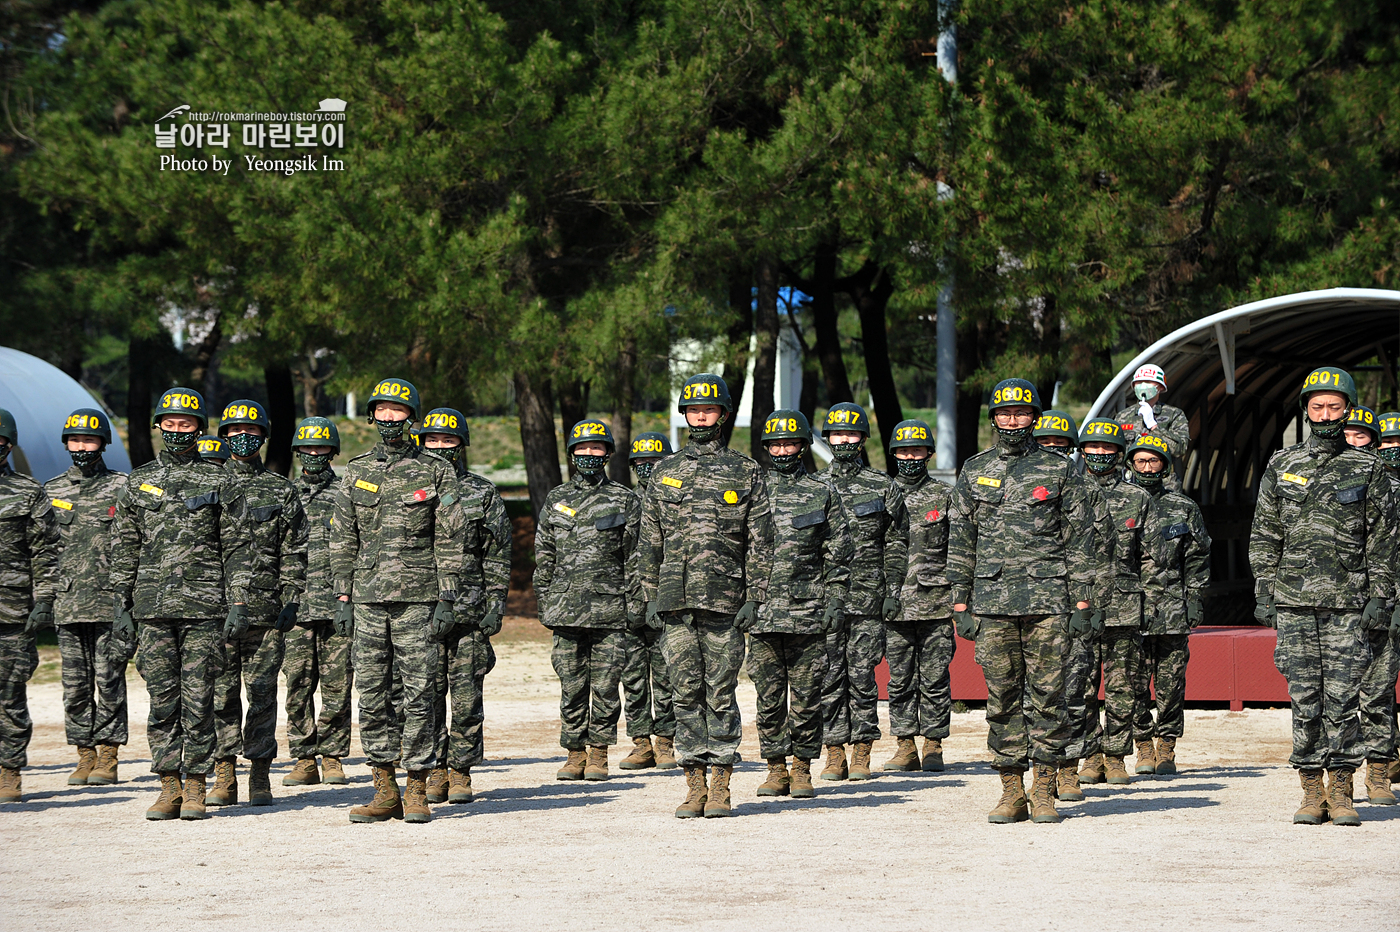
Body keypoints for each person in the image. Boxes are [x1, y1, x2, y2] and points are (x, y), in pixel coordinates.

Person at [946, 379, 1098, 824]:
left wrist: (1083, 601)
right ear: (993, 417)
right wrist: (960, 602)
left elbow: (1081, 537)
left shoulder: (1059, 469)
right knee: (1002, 697)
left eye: (1022, 413)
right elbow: (961, 538)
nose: (1013, 421)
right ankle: (1011, 791)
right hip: (991, 603)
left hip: (1049, 600)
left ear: (1035, 416)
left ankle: (1045, 790)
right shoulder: (974, 470)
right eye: (1004, 413)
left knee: (1050, 695)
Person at [1249, 367, 1395, 826]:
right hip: (1293, 603)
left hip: (1349, 603)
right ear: (1306, 411)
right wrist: (1264, 588)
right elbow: (1265, 532)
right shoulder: (1282, 464)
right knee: (1304, 697)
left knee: (1344, 697)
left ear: (1347, 410)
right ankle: (1311, 791)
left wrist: (1381, 597)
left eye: (1334, 407)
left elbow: (1384, 540)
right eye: (1318, 407)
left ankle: (1343, 791)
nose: (1326, 414)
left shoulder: (1369, 468)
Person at [110, 387, 253, 820]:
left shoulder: (221, 480)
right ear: (158, 426)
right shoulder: (137, 481)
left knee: (199, 698)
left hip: (204, 609)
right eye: (169, 424)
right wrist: (121, 604)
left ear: (199, 429)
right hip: (151, 608)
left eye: (185, 424)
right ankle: (167, 785)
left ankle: (195, 785)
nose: (176, 431)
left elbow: (238, 546)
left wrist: (238, 602)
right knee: (161, 698)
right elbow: (124, 545)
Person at [638, 373, 773, 818]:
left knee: (720, 691)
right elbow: (650, 539)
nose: (701, 415)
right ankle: (692, 783)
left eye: (709, 409)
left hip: (725, 601)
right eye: (694, 409)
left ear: (723, 415)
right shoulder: (665, 471)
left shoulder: (746, 471)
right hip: (675, 602)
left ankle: (721, 785)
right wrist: (649, 596)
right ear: (684, 415)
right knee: (683, 691)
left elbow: (761, 541)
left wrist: (755, 596)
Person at [331, 378, 464, 824]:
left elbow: (450, 537)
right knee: (370, 694)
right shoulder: (356, 470)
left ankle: (418, 790)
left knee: (420, 692)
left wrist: (448, 597)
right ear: (372, 416)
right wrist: (342, 594)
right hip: (367, 600)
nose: (390, 418)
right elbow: (342, 536)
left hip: (419, 599)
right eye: (383, 411)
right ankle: (383, 788)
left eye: (399, 411)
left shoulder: (436, 471)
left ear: (413, 417)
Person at [207, 399, 308, 807]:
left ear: (264, 437)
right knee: (219, 695)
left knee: (263, 694)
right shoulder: (207, 485)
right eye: (234, 431)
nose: (242, 438)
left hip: (267, 612)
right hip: (215, 611)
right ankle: (224, 774)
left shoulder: (281, 489)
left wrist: (293, 597)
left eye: (251, 432)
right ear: (223, 436)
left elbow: (295, 549)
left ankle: (260, 774)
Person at [749, 410, 851, 798]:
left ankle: (802, 767)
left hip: (808, 610)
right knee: (768, 696)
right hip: (760, 613)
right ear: (766, 448)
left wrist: (835, 601)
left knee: (808, 696)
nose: (783, 450)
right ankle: (776, 768)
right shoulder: (752, 492)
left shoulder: (822, 493)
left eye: (791, 443)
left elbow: (837, 553)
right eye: (776, 444)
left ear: (804, 445)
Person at [535, 419, 640, 782]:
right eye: (583, 448)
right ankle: (574, 752)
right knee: (571, 683)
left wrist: (635, 604)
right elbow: (544, 553)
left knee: (606, 685)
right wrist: (544, 600)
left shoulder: (625, 499)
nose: (590, 454)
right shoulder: (557, 498)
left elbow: (635, 558)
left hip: (611, 609)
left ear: (608, 453)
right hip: (565, 609)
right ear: (572, 453)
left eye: (597, 448)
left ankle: (599, 753)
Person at [419, 407, 510, 803]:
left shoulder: (481, 492)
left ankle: (461, 771)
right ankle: (434, 768)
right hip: (421, 610)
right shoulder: (411, 486)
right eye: (432, 440)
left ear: (462, 444)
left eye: (448, 440)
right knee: (423, 694)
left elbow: (498, 551)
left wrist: (497, 602)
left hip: (469, 612)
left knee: (467, 696)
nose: (440, 447)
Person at [816, 402, 909, 782]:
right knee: (827, 676)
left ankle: (862, 751)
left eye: (851, 434)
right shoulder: (815, 487)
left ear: (862, 439)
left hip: (869, 598)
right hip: (823, 600)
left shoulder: (882, 486)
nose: (844, 440)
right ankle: (834, 751)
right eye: (837, 434)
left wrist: (893, 588)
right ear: (827, 439)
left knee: (862, 675)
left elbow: (898, 540)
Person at [40, 408, 128, 787]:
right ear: (66, 444)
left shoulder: (123, 487)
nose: (82, 447)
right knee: (75, 686)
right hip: (68, 602)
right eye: (75, 440)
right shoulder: (52, 491)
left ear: (103, 443)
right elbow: (42, 550)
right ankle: (84, 753)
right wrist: (42, 598)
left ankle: (108, 755)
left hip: (110, 604)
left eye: (89, 440)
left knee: (109, 680)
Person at [1075, 419, 1160, 784]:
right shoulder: (1070, 493)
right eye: (1092, 448)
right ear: (1081, 452)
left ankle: (1115, 756)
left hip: (1123, 606)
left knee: (1123, 686)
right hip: (1078, 606)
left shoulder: (1137, 498)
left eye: (1107, 448)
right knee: (1080, 684)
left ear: (1119, 454)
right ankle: (1089, 756)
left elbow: (1151, 558)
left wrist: (1152, 603)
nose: (1099, 455)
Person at [1128, 434, 1210, 775]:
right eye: (1140, 461)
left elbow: (1197, 557)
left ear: (1165, 465)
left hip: (1172, 609)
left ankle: (1166, 746)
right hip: (1129, 610)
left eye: (1154, 461)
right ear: (1130, 464)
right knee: (1131, 682)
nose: (1147, 467)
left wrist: (1196, 599)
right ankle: (1143, 744)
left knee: (1171, 684)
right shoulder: (1120, 502)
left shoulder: (1183, 507)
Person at [282, 417, 354, 788]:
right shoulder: (285, 494)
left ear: (333, 451)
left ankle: (333, 757)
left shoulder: (346, 493)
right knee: (297, 683)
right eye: (307, 448)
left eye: (321, 448)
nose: (313, 454)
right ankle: (303, 757)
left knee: (337, 684)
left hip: (336, 604)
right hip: (294, 608)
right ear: (297, 451)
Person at [882, 418, 954, 774]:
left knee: (936, 677)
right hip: (893, 602)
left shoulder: (944, 496)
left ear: (928, 454)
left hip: (935, 601)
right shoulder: (882, 492)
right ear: (894, 453)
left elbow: (958, 547)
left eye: (917, 450)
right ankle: (905, 744)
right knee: (899, 678)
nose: (910, 457)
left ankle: (934, 744)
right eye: (903, 450)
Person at [0, 409, 58, 803]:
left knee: (9, 694)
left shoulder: (28, 492)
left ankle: (9, 771)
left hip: (11, 610)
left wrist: (46, 599)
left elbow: (46, 552)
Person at [1344, 406, 1397, 804]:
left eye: (1361, 437)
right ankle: (1338, 776)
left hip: (1382, 604)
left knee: (1378, 692)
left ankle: (1379, 772)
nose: (1352, 442)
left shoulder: (1391, 491)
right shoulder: (1322, 482)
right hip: (1339, 605)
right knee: (1338, 696)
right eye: (1348, 435)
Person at [618, 431, 677, 771]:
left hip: (666, 600)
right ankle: (641, 742)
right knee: (633, 677)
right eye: (639, 462)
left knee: (667, 674)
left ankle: (666, 740)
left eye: (653, 462)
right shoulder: (622, 502)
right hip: (628, 602)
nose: (646, 468)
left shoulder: (675, 502)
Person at [1374, 411, 1400, 793]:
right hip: (1384, 598)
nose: (1392, 451)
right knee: (1379, 683)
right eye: (1385, 445)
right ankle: (1385, 761)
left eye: (1398, 444)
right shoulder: (1370, 487)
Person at [1112, 364, 1191, 464]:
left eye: (1148, 382)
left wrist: (1154, 427)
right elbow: (1113, 450)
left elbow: (1180, 449)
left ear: (1161, 387)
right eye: (1139, 382)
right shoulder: (1122, 416)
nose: (1143, 386)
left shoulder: (1174, 414)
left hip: (1161, 478)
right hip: (1129, 477)